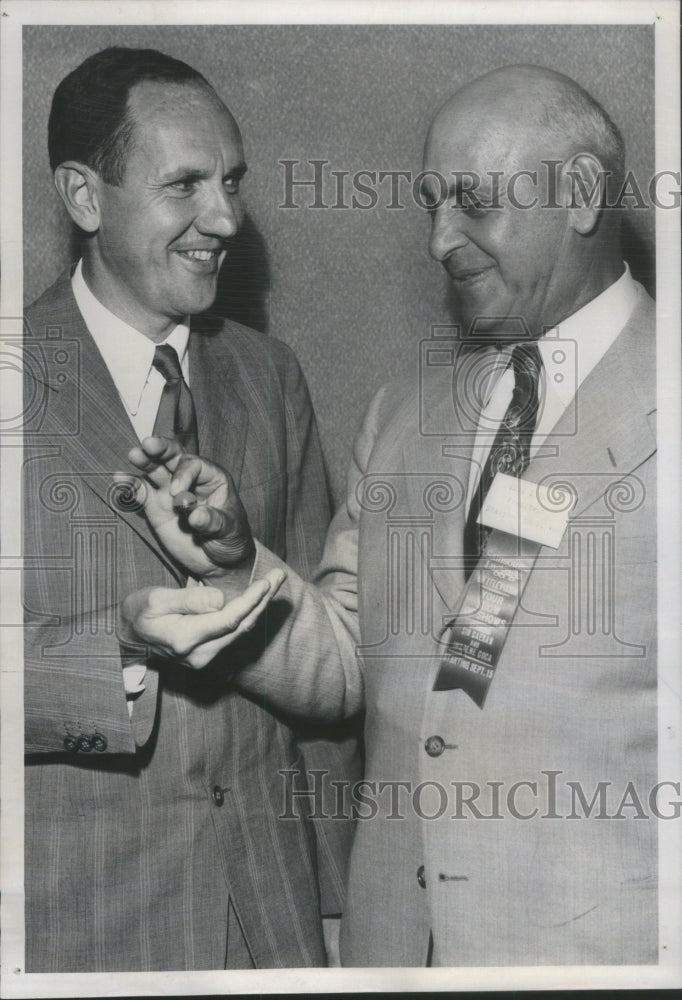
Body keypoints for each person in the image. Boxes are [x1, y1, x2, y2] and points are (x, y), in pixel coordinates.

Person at [128, 65, 658, 967]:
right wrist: (234, 564)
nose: (440, 239)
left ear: (580, 195)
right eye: (429, 204)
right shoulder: (401, 414)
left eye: (473, 202)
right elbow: (345, 665)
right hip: (397, 951)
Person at [23, 46, 359, 971]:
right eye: (185, 186)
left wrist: (336, 899)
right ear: (85, 198)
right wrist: (119, 646)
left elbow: (323, 663)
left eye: (233, 181)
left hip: (273, 918)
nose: (226, 219)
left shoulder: (270, 374)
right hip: (75, 929)